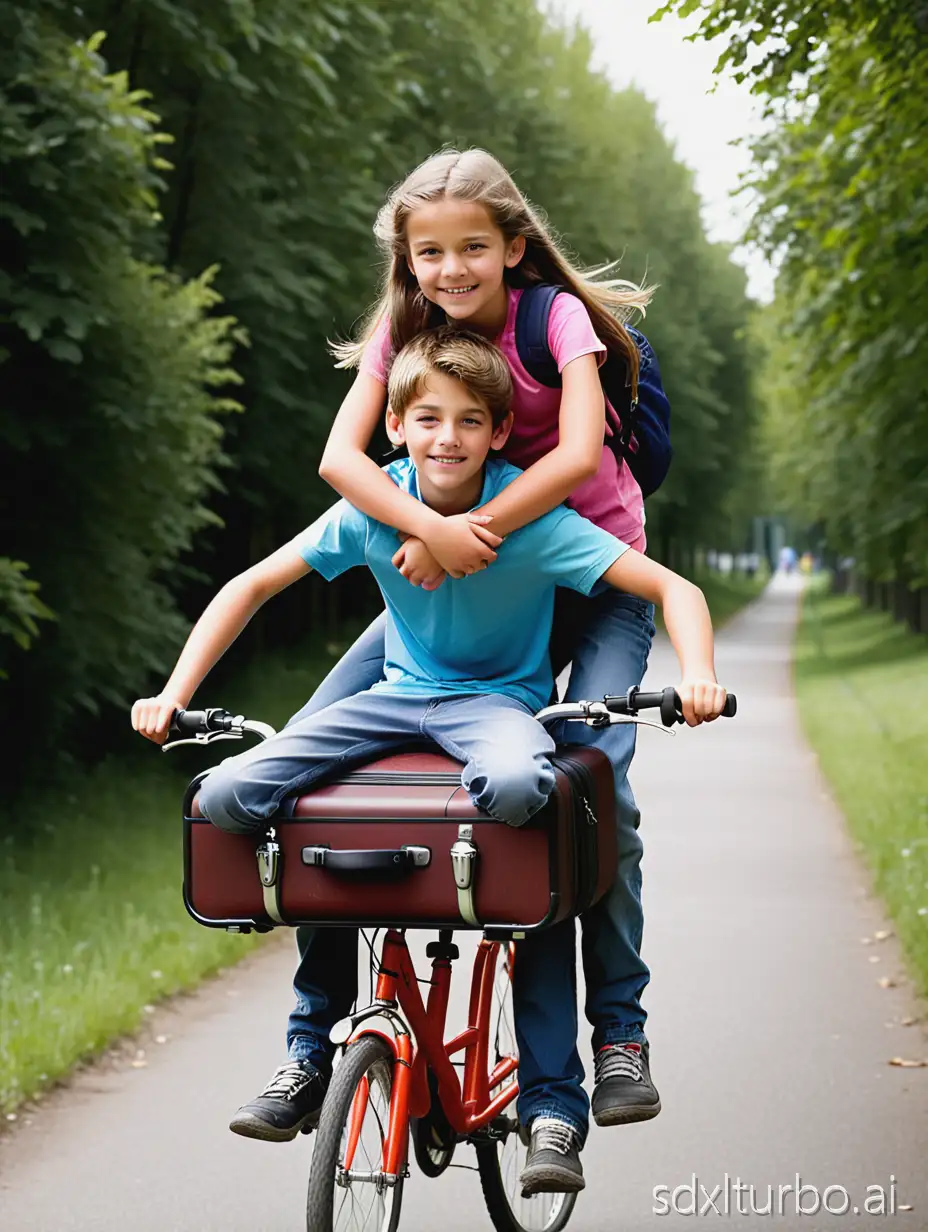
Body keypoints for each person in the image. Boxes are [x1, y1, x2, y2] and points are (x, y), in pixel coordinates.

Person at [132, 329, 729, 1194]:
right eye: (426, 419)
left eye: (468, 421)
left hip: (495, 706)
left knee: (529, 794)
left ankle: (563, 1082)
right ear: (397, 430)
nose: (446, 437)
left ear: (496, 433)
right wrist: (173, 691)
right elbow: (253, 584)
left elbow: (674, 589)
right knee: (232, 796)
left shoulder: (525, 514)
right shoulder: (375, 508)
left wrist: (700, 675)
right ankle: (308, 1054)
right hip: (389, 700)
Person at [310, 147, 667, 1138]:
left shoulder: (553, 317)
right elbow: (343, 455)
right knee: (306, 751)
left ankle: (619, 1033)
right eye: (431, 251)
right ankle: (311, 1044)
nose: (452, 268)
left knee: (595, 790)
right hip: (459, 566)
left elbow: (580, 453)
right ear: (407, 258)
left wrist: (468, 537)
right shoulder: (404, 326)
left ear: (512, 247)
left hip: (582, 579)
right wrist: (426, 530)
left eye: (474, 246)